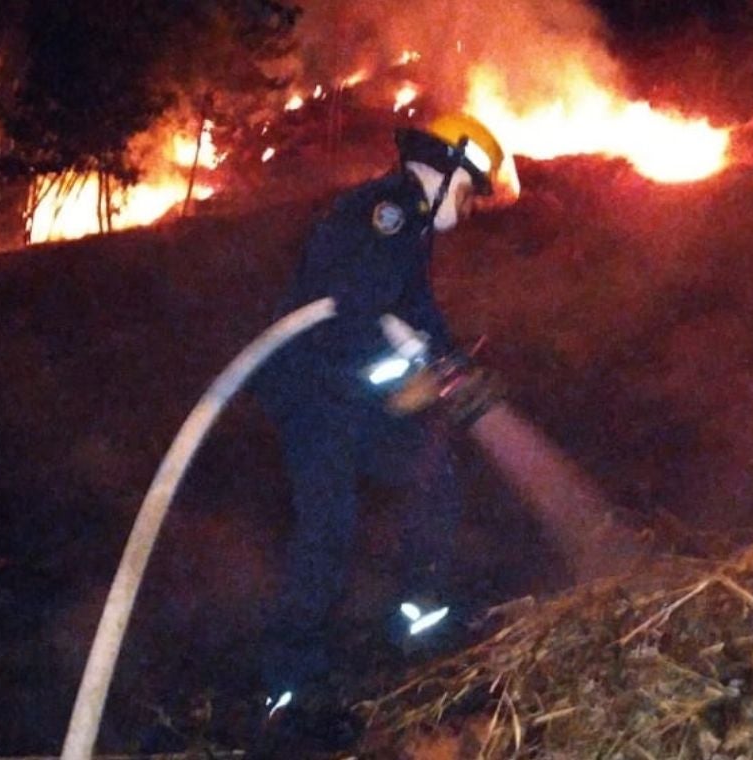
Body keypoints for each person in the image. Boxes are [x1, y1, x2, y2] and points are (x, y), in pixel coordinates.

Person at [248, 112, 505, 751]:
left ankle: (419, 620)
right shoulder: (384, 212)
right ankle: (289, 694)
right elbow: (348, 315)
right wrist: (399, 382)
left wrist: (454, 368)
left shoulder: (410, 228)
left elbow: (416, 312)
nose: (470, 207)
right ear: (446, 170)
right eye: (471, 190)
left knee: (432, 479)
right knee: (327, 530)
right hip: (314, 394)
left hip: (351, 393)